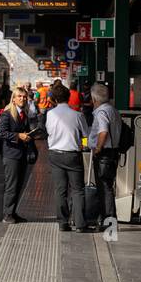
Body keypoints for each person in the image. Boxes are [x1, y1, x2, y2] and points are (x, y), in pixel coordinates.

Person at [44, 81, 91, 232]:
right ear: (69, 97)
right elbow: (85, 136)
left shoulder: (50, 114)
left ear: (55, 99)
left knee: (60, 190)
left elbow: (48, 132)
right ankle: (80, 224)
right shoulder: (78, 115)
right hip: (72, 156)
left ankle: (63, 223)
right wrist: (83, 145)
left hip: (55, 155)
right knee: (77, 190)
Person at [0, 85, 36, 224]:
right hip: (11, 155)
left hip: (21, 154)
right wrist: (18, 136)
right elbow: (0, 133)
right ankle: (7, 214)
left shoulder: (23, 113)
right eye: (19, 96)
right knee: (11, 185)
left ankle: (13, 212)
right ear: (13, 99)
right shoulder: (7, 114)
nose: (22, 99)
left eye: (24, 97)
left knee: (19, 184)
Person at [89, 83, 122, 227]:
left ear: (94, 98)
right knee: (108, 186)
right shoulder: (113, 110)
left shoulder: (101, 112)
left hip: (104, 154)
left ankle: (108, 220)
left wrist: (97, 147)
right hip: (113, 152)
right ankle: (108, 218)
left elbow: (103, 131)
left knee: (104, 187)